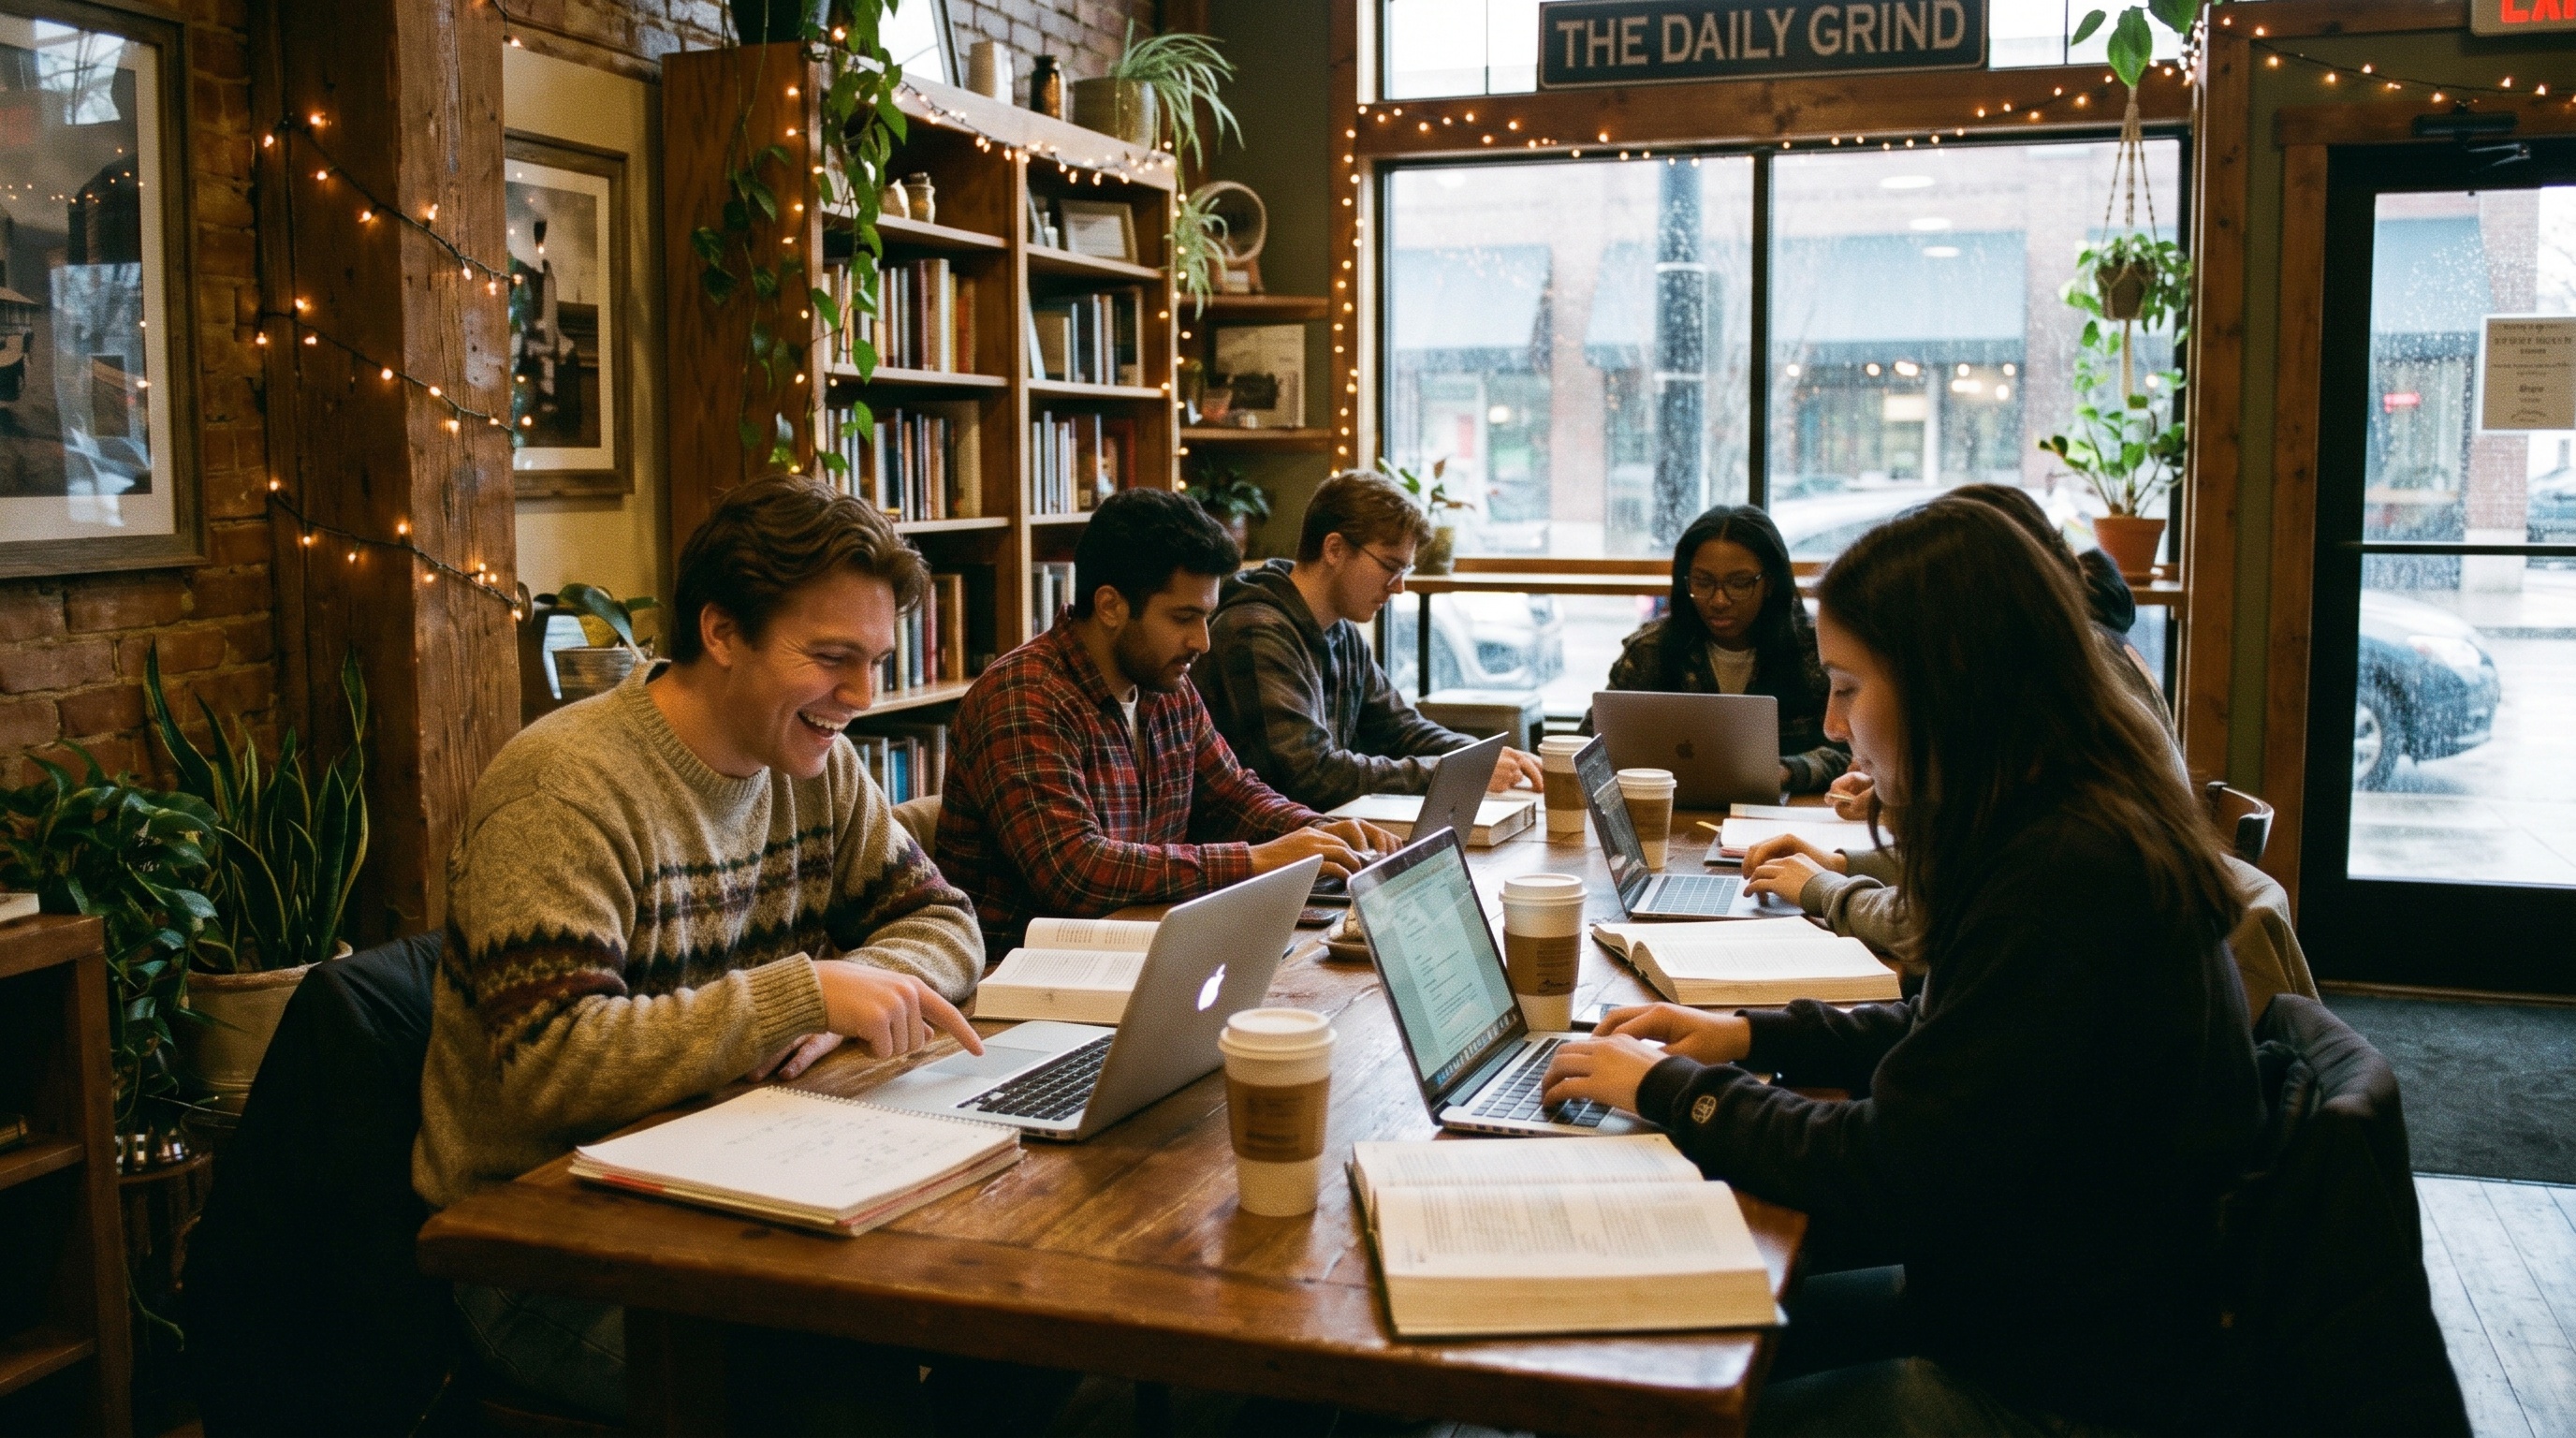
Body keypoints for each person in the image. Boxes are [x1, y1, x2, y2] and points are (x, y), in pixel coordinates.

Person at [1544, 500, 2261, 1435]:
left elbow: (1889, 1164)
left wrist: (1680, 1091)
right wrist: (1747, 1035)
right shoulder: (2065, 819)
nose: (1836, 724)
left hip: (2050, 1381)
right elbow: (1960, 1034)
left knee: (1631, 1388)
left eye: (1847, 685)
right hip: (2049, 1302)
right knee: (1650, 1338)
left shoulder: (2059, 874)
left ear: (1944, 682)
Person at [415, 477, 989, 1420]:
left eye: (877, 661)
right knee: (849, 1387)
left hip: (742, 1178)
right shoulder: (563, 790)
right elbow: (550, 1064)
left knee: (974, 1321)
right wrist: (800, 996)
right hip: (538, 1248)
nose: (860, 696)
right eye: (833, 658)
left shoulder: (816, 764)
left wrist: (867, 984)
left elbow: (942, 921)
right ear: (722, 633)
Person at [939, 488, 1398, 957]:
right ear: (1111, 606)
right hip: (1022, 987)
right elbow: (1075, 873)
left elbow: (1235, 795)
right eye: (1184, 617)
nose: (1203, 641)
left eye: (1206, 617)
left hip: (1138, 954)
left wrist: (1323, 833)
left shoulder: (1164, 684)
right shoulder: (1023, 697)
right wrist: (1254, 860)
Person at [1198, 470, 1543, 811]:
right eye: (1390, 566)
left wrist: (1477, 754)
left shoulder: (1341, 631)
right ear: (1334, 549)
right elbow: (1311, 777)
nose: (1399, 586)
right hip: (1268, 851)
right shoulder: (1254, 631)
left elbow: (1399, 728)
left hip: (1319, 837)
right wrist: (1460, 772)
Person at [1598, 505, 1847, 793]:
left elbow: (1853, 755)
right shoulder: (1651, 650)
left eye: (1739, 583)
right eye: (1703, 583)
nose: (1718, 600)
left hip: (1787, 817)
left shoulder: (1815, 649)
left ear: (1770, 583)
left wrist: (1787, 771)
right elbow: (1593, 746)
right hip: (1666, 813)